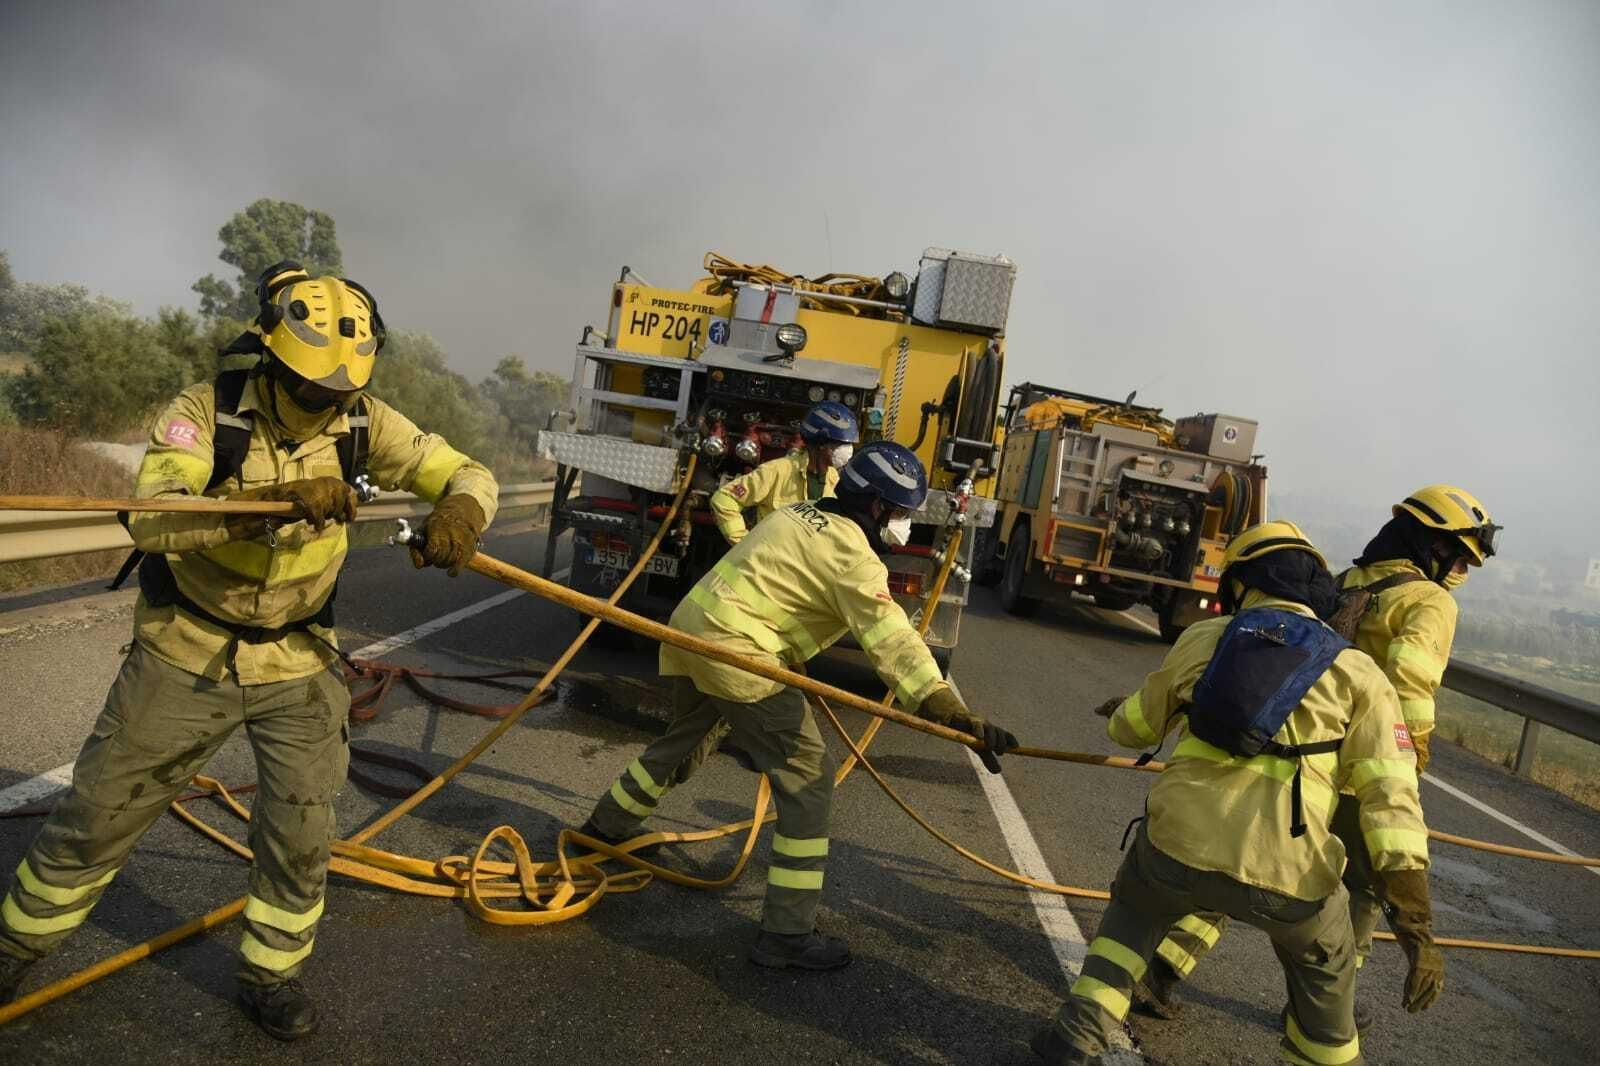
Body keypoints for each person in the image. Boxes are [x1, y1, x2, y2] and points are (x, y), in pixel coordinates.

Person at [0, 263, 499, 1040]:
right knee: (97, 817)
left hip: (299, 662)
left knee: (302, 830)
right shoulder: (205, 414)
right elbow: (154, 520)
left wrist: (464, 508)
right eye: (309, 391)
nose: (324, 406)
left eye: (337, 396)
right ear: (269, 359)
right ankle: (14, 947)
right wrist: (254, 510)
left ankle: (271, 974)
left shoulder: (366, 419)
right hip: (186, 651)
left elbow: (466, 470)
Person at [579, 442, 1018, 970]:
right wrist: (943, 704)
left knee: (686, 740)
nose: (903, 525)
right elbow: (892, 639)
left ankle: (603, 830)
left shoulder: (797, 513)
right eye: (901, 513)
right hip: (740, 651)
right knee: (808, 775)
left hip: (692, 627)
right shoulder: (854, 556)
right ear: (876, 505)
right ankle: (787, 933)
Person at [1031, 522, 1439, 1066]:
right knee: (1327, 967)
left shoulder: (1205, 637)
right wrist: (1416, 929)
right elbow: (1392, 802)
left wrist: (1124, 710)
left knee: (1134, 908)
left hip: (1175, 851)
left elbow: (1133, 729)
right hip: (1288, 877)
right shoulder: (1359, 674)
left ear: (1243, 584)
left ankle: (1076, 1035)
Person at [1135, 487, 1498, 1021]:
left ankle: (1161, 971)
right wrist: (1410, 761)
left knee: (1246, 865)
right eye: (1461, 554)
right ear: (1432, 545)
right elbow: (1411, 683)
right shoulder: (1430, 602)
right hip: (1366, 765)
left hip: (1305, 759)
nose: (1464, 567)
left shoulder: (1347, 583)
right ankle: (1322, 1007)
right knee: (1362, 894)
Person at [707, 400, 858, 546]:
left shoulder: (836, 480)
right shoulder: (777, 471)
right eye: (841, 444)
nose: (847, 450)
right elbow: (724, 500)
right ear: (821, 444)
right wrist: (745, 544)